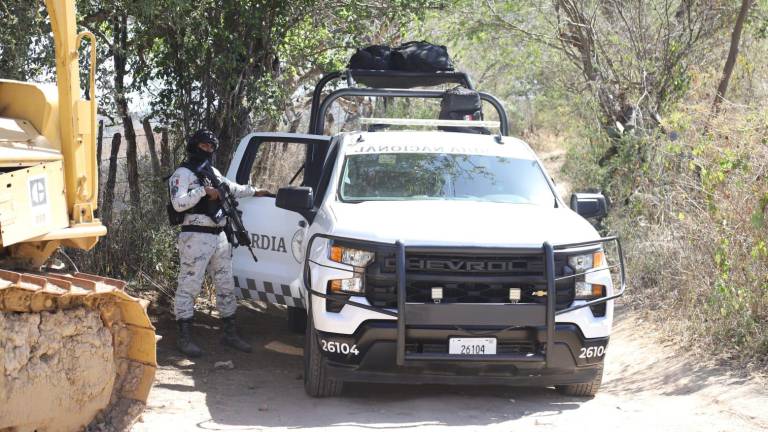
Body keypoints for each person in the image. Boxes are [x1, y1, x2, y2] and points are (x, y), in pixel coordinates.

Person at [169, 128, 268, 357]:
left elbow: (230, 188)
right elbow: (178, 204)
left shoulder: (212, 171)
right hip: (195, 235)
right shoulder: (182, 174)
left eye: (211, 147)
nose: (208, 150)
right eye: (204, 146)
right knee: (189, 284)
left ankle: (229, 333)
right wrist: (203, 192)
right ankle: (184, 337)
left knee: (225, 284)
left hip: (219, 235)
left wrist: (255, 191)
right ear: (194, 146)